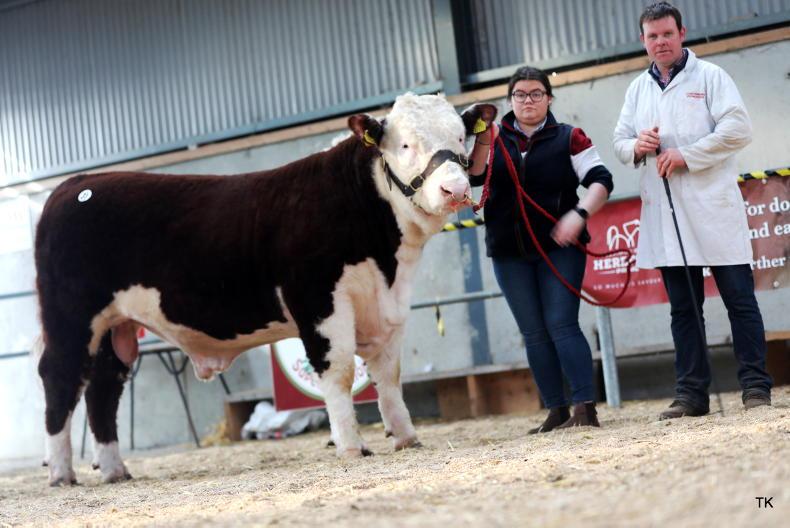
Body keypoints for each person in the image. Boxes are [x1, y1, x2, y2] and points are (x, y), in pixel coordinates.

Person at [613, 1, 772, 420]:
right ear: (643, 40)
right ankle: (691, 395)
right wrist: (637, 146)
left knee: (739, 300)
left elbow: (738, 129)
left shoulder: (712, 77)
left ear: (682, 33)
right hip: (667, 214)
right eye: (653, 36)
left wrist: (688, 155)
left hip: (713, 207)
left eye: (668, 33)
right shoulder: (637, 89)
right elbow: (619, 141)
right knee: (684, 309)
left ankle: (755, 387)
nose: (661, 42)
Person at [468, 66, 614, 432]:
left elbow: (601, 180)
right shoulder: (493, 138)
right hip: (508, 251)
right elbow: (473, 176)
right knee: (532, 332)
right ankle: (555, 410)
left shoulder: (570, 137)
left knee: (562, 323)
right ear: (510, 100)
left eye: (536, 93)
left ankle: (585, 408)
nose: (528, 101)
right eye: (520, 94)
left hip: (559, 246)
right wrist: (484, 138)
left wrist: (579, 215)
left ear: (549, 98)